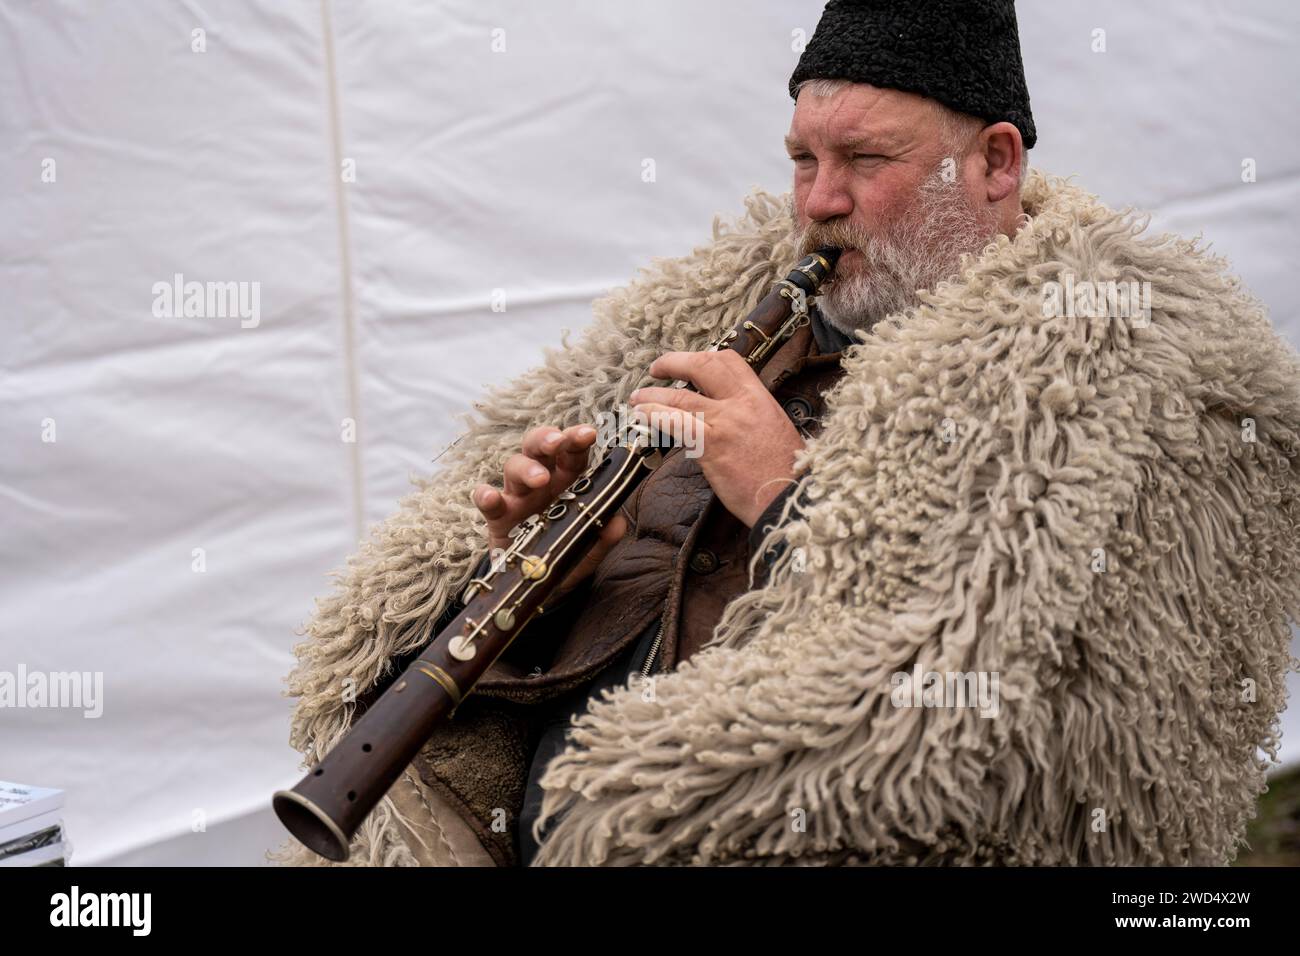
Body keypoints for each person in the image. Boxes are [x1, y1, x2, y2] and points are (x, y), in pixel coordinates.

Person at [276, 0, 1300, 866]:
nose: (817, 202)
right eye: (802, 157)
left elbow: (1008, 725)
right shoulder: (754, 324)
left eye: (864, 158)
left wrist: (786, 493)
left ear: (993, 164)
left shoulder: (1126, 367)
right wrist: (574, 568)